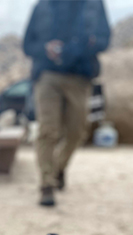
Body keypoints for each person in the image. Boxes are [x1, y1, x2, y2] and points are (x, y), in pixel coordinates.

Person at [23, 0, 111, 206]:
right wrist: (45, 48)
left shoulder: (94, 5)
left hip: (80, 78)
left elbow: (104, 40)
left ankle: (58, 168)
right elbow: (28, 45)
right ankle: (46, 184)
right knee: (47, 131)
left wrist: (86, 44)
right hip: (47, 76)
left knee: (77, 132)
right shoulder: (41, 7)